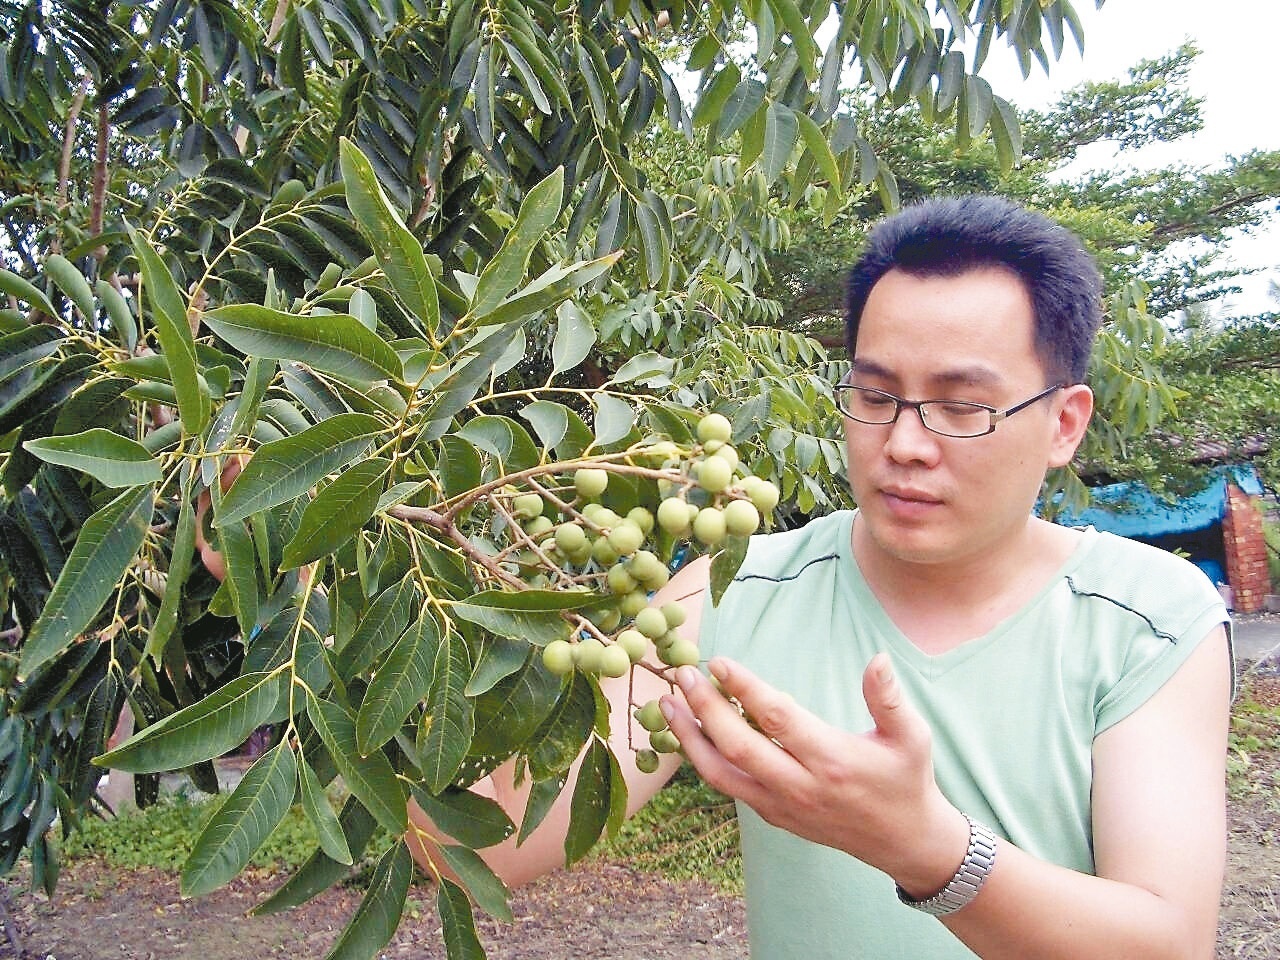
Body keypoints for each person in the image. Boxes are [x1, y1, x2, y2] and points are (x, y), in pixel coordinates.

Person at [409, 195, 1234, 959]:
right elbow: (476, 846)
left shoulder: (1148, 618)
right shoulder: (731, 592)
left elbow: (1167, 941)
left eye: (960, 407)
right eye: (874, 395)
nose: (904, 443)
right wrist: (380, 611)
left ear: (1063, 423)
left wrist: (924, 849)